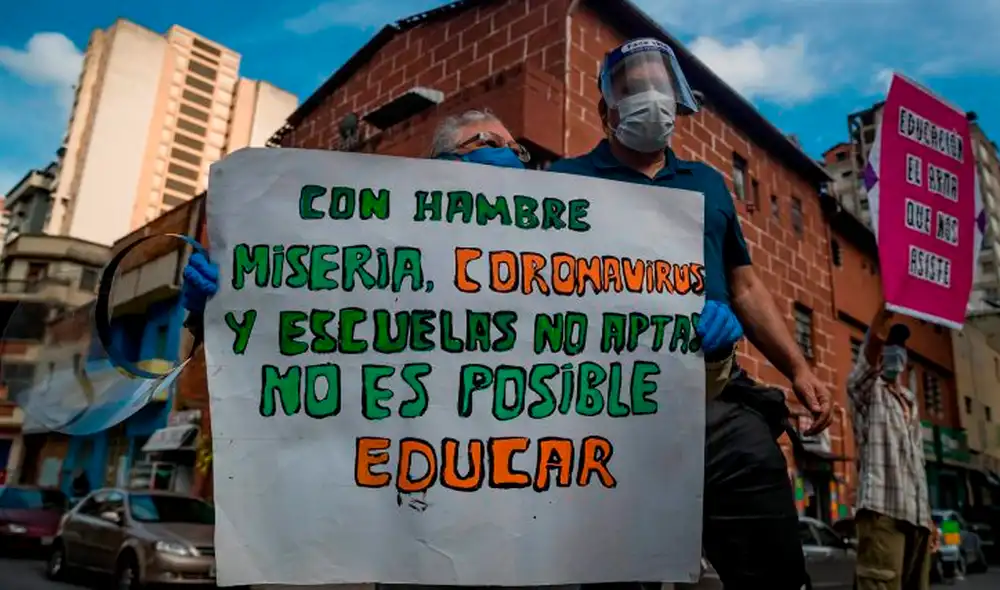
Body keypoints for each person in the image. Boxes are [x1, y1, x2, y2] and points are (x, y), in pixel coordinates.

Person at [547, 38, 833, 590]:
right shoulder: (567, 182)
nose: (649, 98)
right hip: (613, 409)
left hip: (715, 398)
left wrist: (799, 369)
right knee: (620, 576)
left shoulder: (708, 182)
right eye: (632, 87)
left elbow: (746, 285)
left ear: (678, 100)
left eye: (660, 85)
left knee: (769, 562)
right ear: (606, 107)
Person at [847, 306, 938, 590]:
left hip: (917, 518)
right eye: (890, 345)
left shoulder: (910, 401)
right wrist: (890, 303)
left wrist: (929, 519)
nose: (895, 352)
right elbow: (873, 341)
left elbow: (917, 467)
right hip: (882, 512)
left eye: (900, 347)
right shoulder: (866, 390)